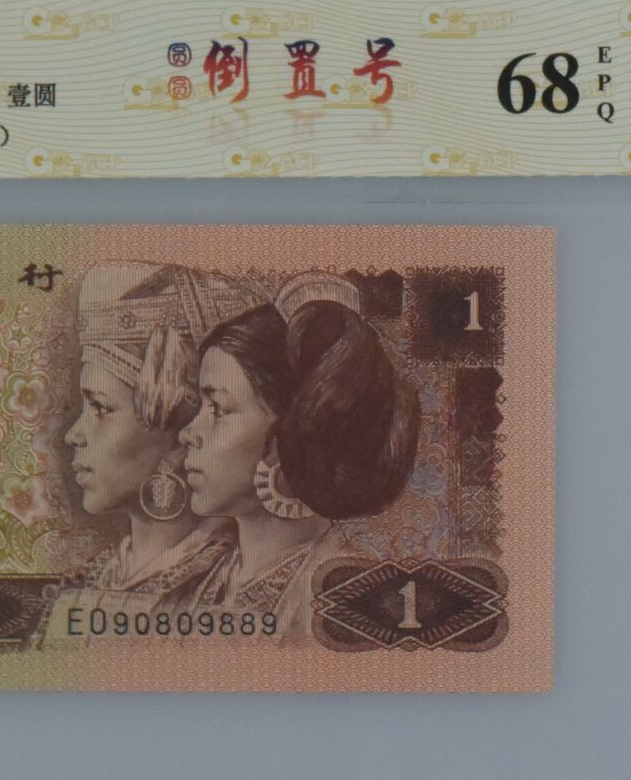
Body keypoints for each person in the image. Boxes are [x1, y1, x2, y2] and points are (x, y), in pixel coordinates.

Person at [178, 272, 421, 640]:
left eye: (218, 409)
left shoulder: (349, 600)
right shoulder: (192, 585)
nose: (187, 433)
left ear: (291, 433)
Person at [57, 263, 261, 611]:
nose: (73, 436)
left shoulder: (231, 590)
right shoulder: (95, 578)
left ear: (180, 430)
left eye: (101, 408)